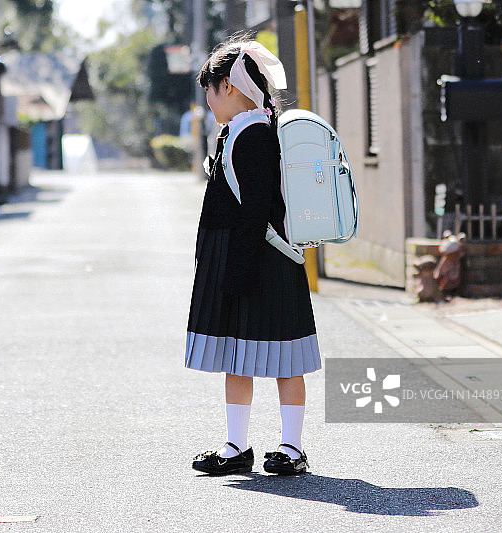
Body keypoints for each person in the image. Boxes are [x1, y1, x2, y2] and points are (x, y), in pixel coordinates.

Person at [185, 35, 321, 476]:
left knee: (283, 356)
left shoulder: (254, 134)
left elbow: (254, 208)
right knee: (237, 355)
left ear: (227, 86)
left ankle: (290, 446)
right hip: (251, 257)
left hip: (262, 259)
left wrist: (235, 269)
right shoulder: (240, 131)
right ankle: (237, 444)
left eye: (209, 88)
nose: (207, 99)